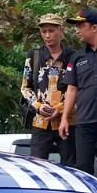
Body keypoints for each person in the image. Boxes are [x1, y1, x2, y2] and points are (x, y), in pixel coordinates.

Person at [58, 8, 97, 185]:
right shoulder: (77, 57)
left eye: (81, 25)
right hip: (84, 122)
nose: (77, 30)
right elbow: (71, 89)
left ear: (94, 28)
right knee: (83, 167)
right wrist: (64, 119)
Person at [20, 13, 69, 161]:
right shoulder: (34, 56)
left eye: (51, 31)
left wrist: (60, 107)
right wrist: (38, 106)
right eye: (44, 31)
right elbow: (25, 88)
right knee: (37, 165)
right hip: (40, 122)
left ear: (61, 31)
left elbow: (77, 89)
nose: (47, 35)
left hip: (66, 122)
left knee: (71, 166)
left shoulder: (73, 56)